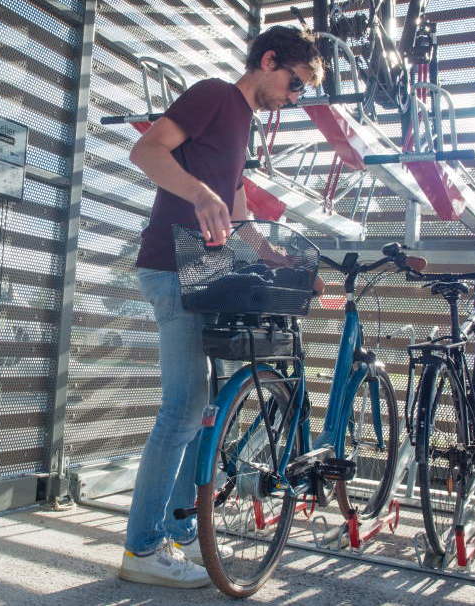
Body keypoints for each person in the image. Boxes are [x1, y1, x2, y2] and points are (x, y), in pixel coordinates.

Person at [118, 25, 324, 588]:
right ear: (269, 60)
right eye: (295, 83)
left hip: (205, 276)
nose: (295, 97)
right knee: (182, 409)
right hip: (171, 270)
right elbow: (146, 151)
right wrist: (198, 193)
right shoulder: (213, 95)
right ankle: (141, 550)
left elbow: (233, 209)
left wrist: (270, 254)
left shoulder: (244, 125)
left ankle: (185, 528)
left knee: (204, 407)